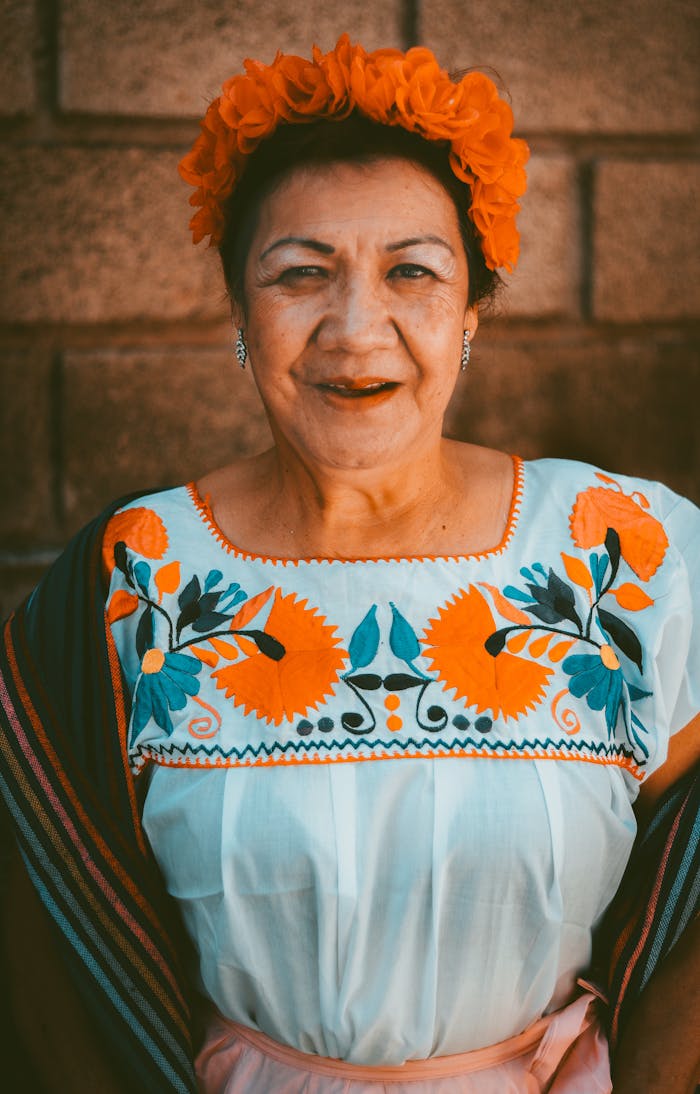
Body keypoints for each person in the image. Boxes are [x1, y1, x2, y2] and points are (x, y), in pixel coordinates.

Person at [1, 36, 698, 1094]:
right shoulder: (133, 579)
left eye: (412, 271)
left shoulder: (623, 550)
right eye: (300, 274)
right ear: (239, 311)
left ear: (470, 314)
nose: (355, 326)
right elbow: (36, 922)